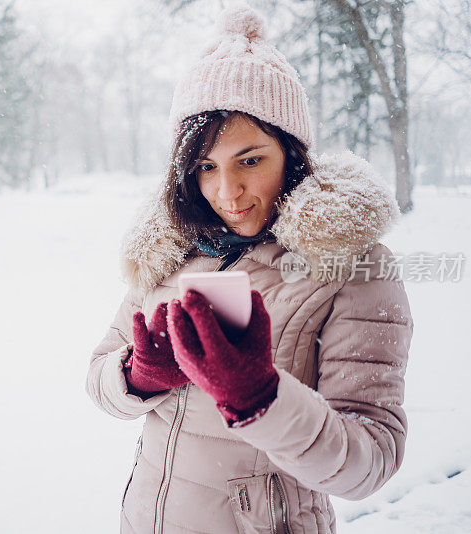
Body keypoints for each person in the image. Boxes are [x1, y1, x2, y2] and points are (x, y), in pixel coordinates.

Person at [85, 3, 414, 534]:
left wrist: (261, 395)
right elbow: (97, 379)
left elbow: (370, 461)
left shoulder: (351, 264)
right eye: (206, 167)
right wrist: (138, 376)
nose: (226, 191)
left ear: (292, 151)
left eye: (250, 159)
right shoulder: (167, 249)